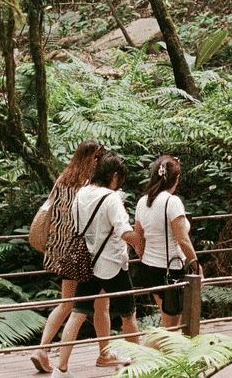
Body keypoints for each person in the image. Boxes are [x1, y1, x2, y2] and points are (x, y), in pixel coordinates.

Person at [52, 153, 143, 375]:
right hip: (112, 266)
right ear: (114, 176)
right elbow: (125, 233)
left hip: (87, 263)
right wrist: (141, 246)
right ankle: (141, 364)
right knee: (128, 315)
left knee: (78, 313)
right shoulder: (111, 199)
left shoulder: (80, 193)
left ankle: (61, 368)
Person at [30, 141, 101, 373]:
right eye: (98, 158)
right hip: (80, 252)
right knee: (77, 305)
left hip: (61, 249)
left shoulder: (63, 180)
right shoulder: (88, 185)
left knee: (70, 303)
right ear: (92, 159)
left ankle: (43, 349)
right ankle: (50, 352)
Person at [132, 155, 200, 334]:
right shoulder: (172, 202)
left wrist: (142, 255)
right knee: (170, 327)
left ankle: (159, 357)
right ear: (176, 179)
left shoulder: (142, 201)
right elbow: (183, 240)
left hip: (150, 267)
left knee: (167, 320)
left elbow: (138, 238)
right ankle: (148, 356)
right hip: (171, 270)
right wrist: (196, 265)